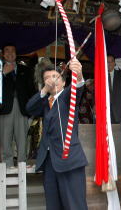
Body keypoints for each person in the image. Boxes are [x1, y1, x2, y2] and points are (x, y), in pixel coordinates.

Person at [25, 59, 88, 210]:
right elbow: (29, 108)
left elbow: (78, 88)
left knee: (75, 205)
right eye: (47, 78)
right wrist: (44, 90)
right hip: (49, 162)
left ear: (64, 82)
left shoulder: (67, 97)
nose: (51, 80)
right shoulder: (45, 102)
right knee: (53, 205)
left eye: (55, 76)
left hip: (69, 160)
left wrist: (78, 75)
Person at [0, 44, 36, 167]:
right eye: (7, 51)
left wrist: (32, 110)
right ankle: (7, 166)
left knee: (22, 139)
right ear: (3, 54)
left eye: (13, 51)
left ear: (16, 53)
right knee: (5, 140)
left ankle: (22, 165)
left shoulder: (24, 69)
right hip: (4, 109)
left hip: (22, 108)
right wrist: (3, 73)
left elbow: (31, 90)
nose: (10, 53)